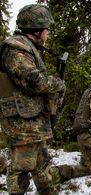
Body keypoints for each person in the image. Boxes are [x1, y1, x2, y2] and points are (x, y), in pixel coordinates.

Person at [0, 4, 65, 195]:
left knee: (44, 169)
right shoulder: (16, 49)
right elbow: (33, 81)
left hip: (31, 122)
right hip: (22, 124)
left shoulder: (27, 47)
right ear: (37, 30)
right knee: (20, 173)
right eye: (47, 30)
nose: (48, 34)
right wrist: (57, 83)